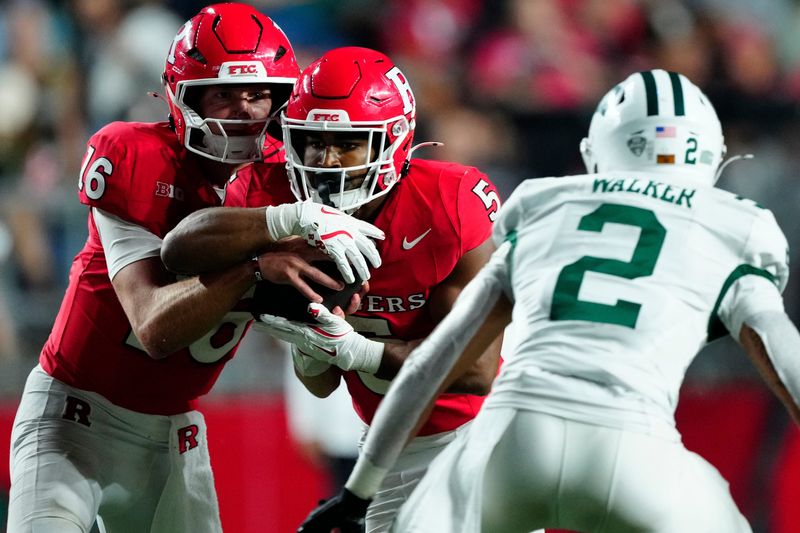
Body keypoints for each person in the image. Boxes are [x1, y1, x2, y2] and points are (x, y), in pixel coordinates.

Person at [298, 69, 800, 533]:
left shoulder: (546, 204)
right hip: (632, 446)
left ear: (595, 150)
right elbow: (782, 353)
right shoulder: (734, 222)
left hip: (508, 448)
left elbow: (433, 364)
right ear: (709, 154)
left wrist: (357, 491)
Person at [6, 5, 383, 533]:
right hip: (75, 418)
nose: (243, 111)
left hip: (173, 431)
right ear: (184, 95)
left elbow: (316, 380)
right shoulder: (134, 155)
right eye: (222, 93)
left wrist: (314, 335)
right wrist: (255, 268)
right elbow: (154, 327)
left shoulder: (288, 180)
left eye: (257, 94)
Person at [160, 46, 504, 532]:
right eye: (312, 142)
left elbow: (474, 372)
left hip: (479, 433)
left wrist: (360, 352)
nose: (325, 162)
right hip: (385, 444)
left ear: (394, 142)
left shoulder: (447, 204)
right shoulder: (275, 196)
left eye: (346, 143)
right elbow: (179, 248)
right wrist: (311, 349)